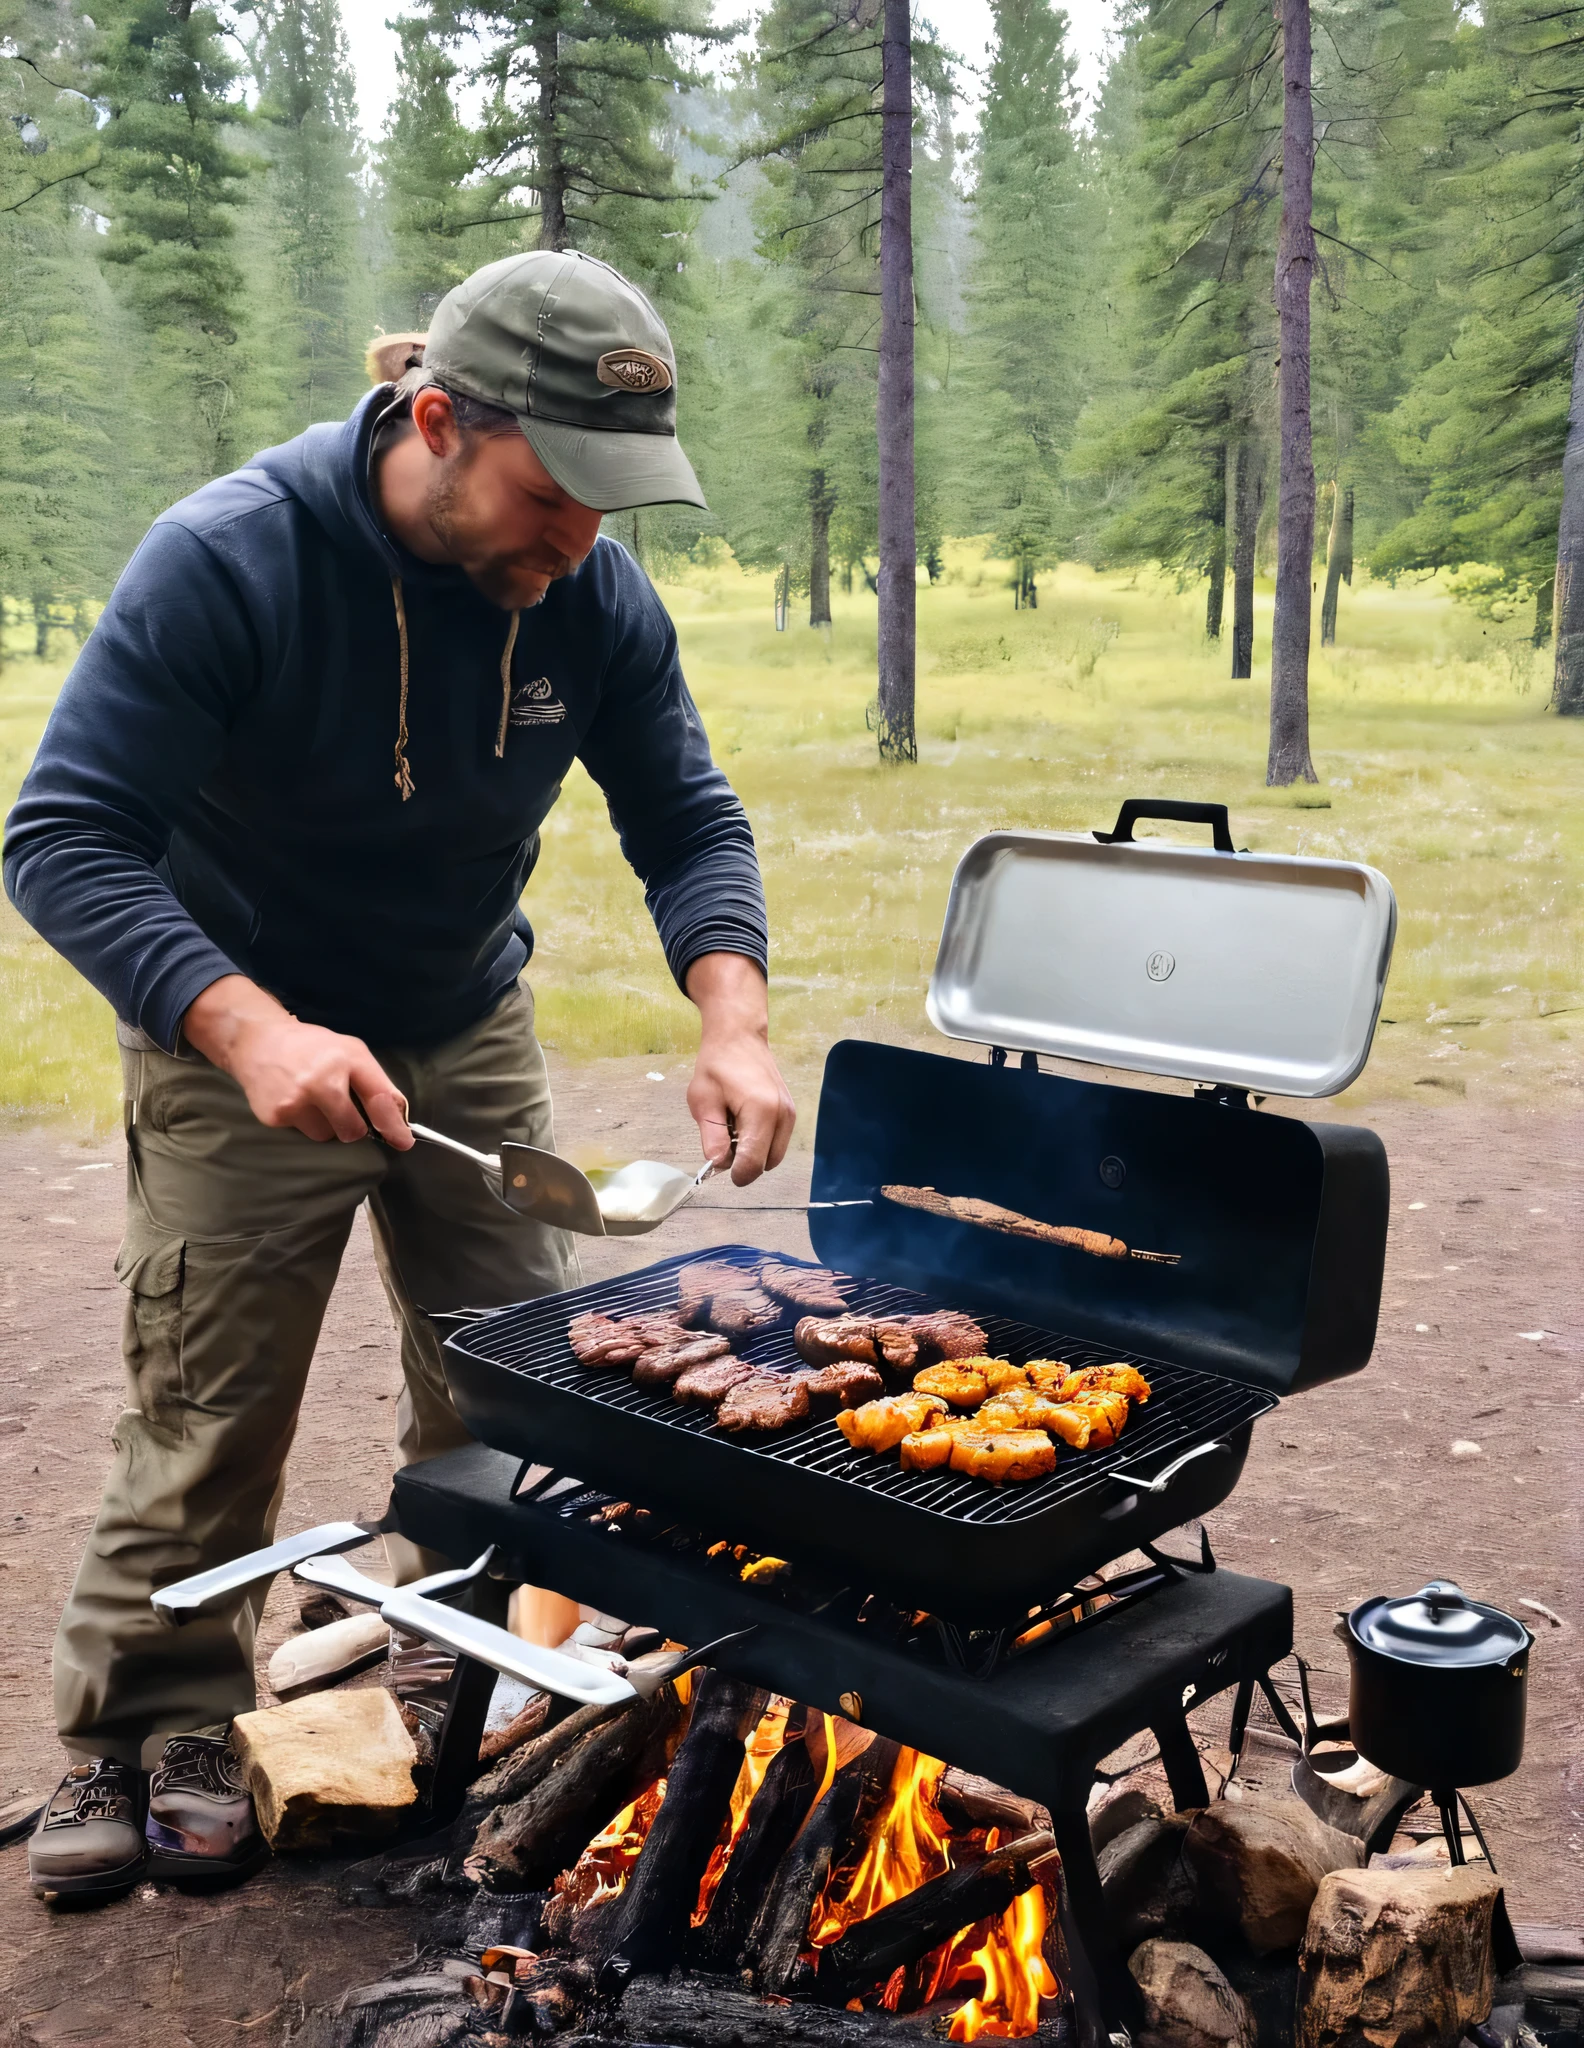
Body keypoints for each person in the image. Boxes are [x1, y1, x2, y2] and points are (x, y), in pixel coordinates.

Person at [3, 249, 796, 1902]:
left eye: (612, 504)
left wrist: (736, 1016)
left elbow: (688, 815)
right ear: (436, 422)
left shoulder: (586, 591)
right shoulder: (231, 561)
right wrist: (245, 1024)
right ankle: (149, 1721)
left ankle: (470, 1660)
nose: (581, 537)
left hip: (461, 1027)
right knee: (210, 1410)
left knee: (521, 1386)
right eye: (554, 492)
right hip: (240, 1035)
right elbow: (64, 837)